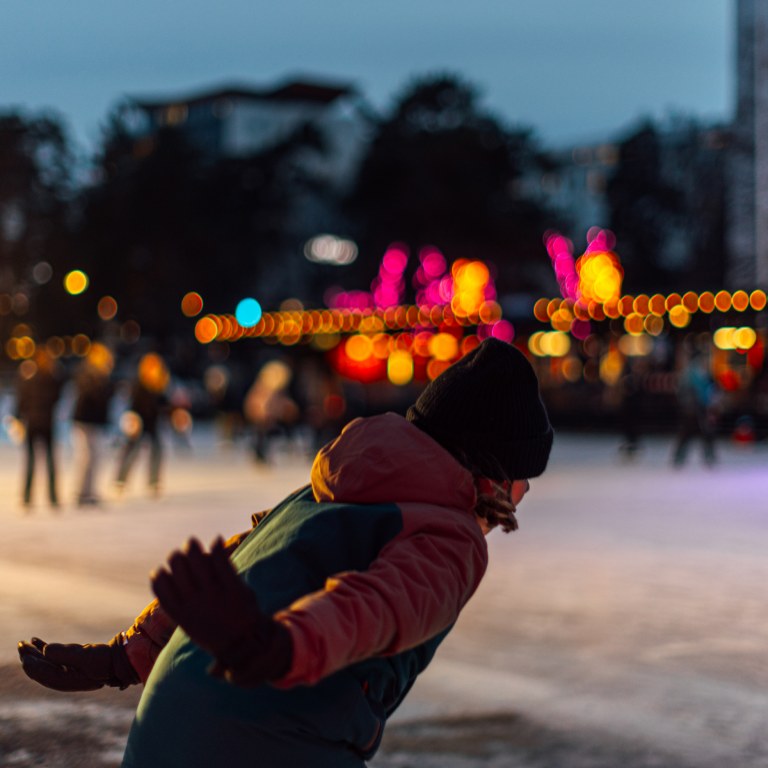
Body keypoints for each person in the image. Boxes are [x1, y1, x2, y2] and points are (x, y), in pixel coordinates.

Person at [17, 338, 553, 768]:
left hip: (168, 721)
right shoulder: (451, 535)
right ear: (494, 474)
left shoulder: (331, 486)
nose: (526, 494)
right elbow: (374, 607)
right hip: (260, 736)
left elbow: (243, 567)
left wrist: (125, 656)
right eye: (525, 477)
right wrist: (277, 647)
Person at [115, 353, 170, 497]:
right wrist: (132, 421)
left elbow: (164, 404)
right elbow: (133, 405)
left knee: (157, 451)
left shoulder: (160, 384)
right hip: (138, 424)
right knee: (131, 453)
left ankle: (153, 482)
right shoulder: (139, 384)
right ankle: (120, 481)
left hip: (152, 424)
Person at [15, 348, 65, 509]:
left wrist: (19, 417)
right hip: (47, 424)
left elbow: (22, 400)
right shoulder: (52, 379)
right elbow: (57, 397)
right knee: (50, 461)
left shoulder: (30, 378)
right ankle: (53, 497)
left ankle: (27, 497)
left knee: (31, 461)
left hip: (32, 424)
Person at [71, 343, 115, 506]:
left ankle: (89, 491)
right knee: (85, 458)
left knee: (96, 458)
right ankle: (81, 492)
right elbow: (91, 395)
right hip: (83, 421)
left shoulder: (104, 376)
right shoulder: (87, 373)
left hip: (96, 422)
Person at [671, 349, 718, 467]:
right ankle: (681, 457)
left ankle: (707, 456)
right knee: (691, 433)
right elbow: (686, 391)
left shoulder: (700, 373)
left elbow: (708, 391)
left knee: (702, 433)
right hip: (693, 409)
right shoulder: (691, 374)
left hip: (699, 408)